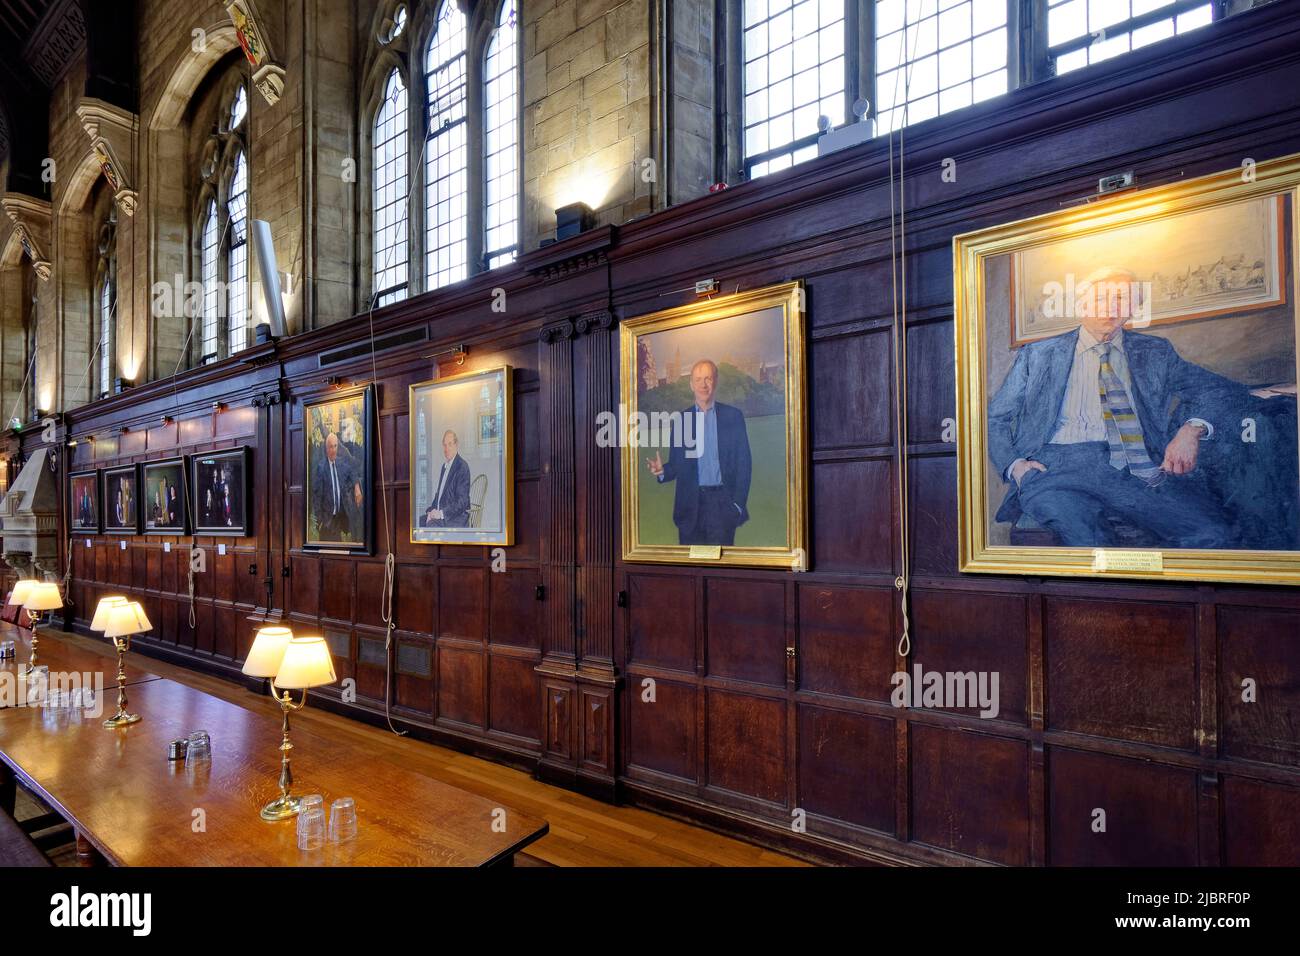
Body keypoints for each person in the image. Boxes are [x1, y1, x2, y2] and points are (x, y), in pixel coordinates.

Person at [988, 266, 1245, 549]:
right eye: (1099, 299)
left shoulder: (1155, 352)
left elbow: (1217, 389)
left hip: (1135, 467)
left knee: (1214, 534)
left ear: (1134, 307)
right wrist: (1016, 467)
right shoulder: (1038, 355)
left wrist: (1192, 429)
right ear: (1081, 304)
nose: (1109, 308)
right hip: (1055, 468)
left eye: (1121, 299)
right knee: (1093, 545)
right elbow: (996, 419)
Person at [645, 359, 752, 546]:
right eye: (698, 379)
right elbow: (677, 465)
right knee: (691, 571)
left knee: (720, 570)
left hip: (722, 507)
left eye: (708, 379)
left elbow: (744, 464)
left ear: (716, 381)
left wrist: (737, 505)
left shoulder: (733, 416)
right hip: (689, 509)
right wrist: (663, 472)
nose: (703, 384)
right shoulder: (681, 420)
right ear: (691, 384)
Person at [311, 432, 363, 541]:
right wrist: (321, 521)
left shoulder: (341, 463)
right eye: (331, 447)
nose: (334, 450)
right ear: (326, 449)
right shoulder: (321, 468)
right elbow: (316, 497)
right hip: (327, 521)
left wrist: (357, 487)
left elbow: (353, 471)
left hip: (340, 519)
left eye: (335, 446)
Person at [421, 430, 470, 527]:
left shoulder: (462, 467)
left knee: (431, 525)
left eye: (450, 444)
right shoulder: (445, 467)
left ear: (456, 445)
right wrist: (431, 511)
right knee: (418, 522)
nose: (446, 448)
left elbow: (462, 502)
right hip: (442, 516)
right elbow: (440, 495)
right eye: (444, 445)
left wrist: (441, 514)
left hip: (455, 519)